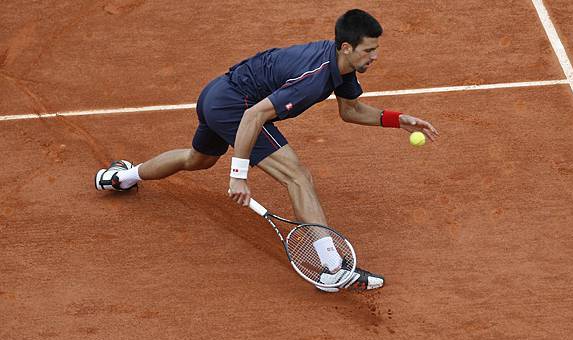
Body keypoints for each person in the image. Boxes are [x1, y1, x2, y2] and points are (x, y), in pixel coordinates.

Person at [95, 9, 440, 292]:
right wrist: (238, 177)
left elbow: (350, 110)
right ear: (347, 47)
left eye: (376, 49)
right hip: (235, 105)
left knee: (196, 159)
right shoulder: (314, 77)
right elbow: (253, 115)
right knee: (298, 176)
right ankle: (333, 267)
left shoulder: (341, 65)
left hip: (216, 95)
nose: (375, 56)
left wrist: (398, 119)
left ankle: (120, 177)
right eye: (369, 50)